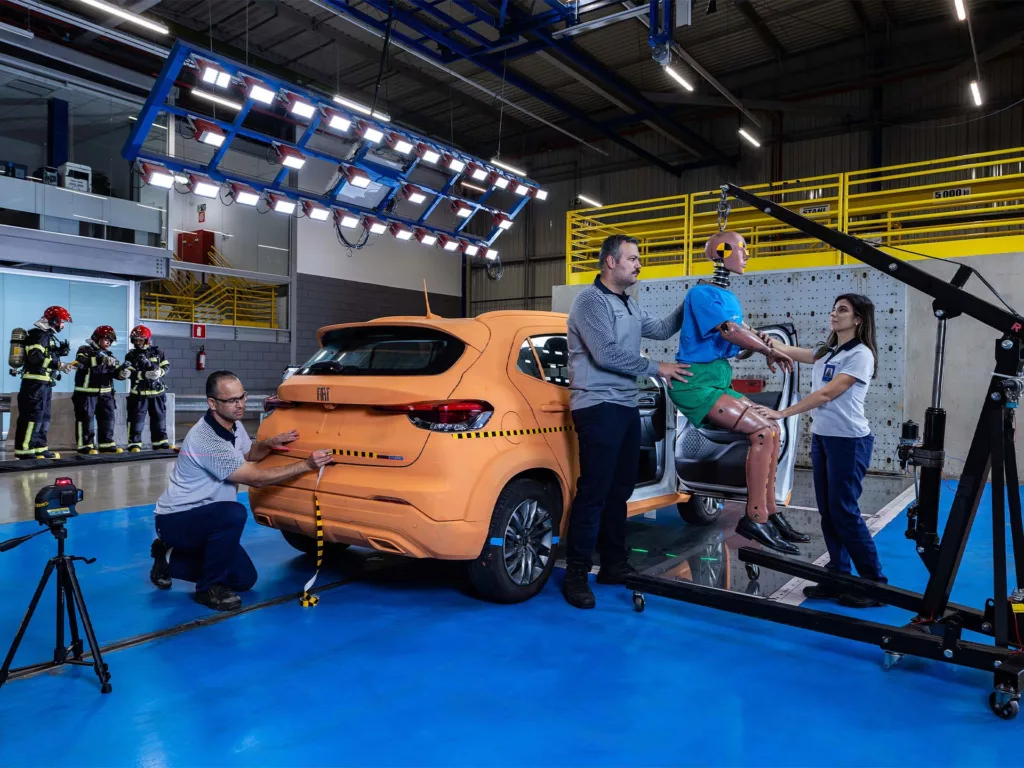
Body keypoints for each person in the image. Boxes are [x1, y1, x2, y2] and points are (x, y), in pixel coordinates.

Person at [562, 234, 693, 610]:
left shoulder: (630, 306)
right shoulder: (590, 301)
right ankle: (576, 573)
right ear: (610, 262)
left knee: (619, 491)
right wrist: (658, 368)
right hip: (596, 405)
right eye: (632, 258)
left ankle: (613, 565)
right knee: (595, 492)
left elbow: (665, 327)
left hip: (623, 407)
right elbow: (605, 354)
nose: (639, 264)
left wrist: (694, 299)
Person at [667, 231, 806, 555]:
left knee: (773, 431)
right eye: (742, 249)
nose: (746, 256)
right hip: (695, 384)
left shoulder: (729, 300)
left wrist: (759, 341)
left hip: (717, 380)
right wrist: (766, 351)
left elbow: (737, 336)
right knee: (762, 431)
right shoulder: (701, 293)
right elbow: (730, 331)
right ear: (722, 251)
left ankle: (768, 514)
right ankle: (754, 517)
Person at [149, 370, 333, 611]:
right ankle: (208, 589)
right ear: (212, 404)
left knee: (244, 580)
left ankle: (169, 557)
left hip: (207, 518)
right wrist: (306, 465)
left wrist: (269, 444)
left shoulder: (233, 425)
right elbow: (254, 478)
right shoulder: (206, 439)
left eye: (242, 397)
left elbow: (247, 454)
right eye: (232, 400)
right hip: (178, 518)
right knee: (233, 514)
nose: (240, 405)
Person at [755, 293, 886, 608]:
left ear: (858, 319)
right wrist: (761, 340)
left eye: (843, 310)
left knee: (844, 511)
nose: (834, 313)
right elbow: (787, 349)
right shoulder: (828, 350)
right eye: (834, 308)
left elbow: (827, 393)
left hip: (849, 441)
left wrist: (783, 413)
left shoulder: (861, 354)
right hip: (823, 438)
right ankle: (837, 575)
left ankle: (873, 583)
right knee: (828, 511)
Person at [14, 306, 74, 460]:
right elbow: (35, 357)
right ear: (54, 320)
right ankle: (25, 450)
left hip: (44, 384)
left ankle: (40, 447)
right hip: (34, 384)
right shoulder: (38, 335)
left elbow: (45, 355)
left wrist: (59, 353)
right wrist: (59, 365)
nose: (63, 325)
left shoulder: (47, 336)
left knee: (44, 417)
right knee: (32, 417)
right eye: (62, 322)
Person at [120, 325, 174, 452]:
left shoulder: (158, 353)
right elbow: (130, 373)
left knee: (159, 420)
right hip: (138, 394)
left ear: (147, 340)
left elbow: (166, 367)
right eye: (136, 340)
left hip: (157, 394)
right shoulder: (130, 356)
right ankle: (134, 445)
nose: (138, 342)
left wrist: (160, 372)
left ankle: (160, 443)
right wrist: (143, 375)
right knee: (136, 421)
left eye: (141, 340)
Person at [72, 325, 124, 455]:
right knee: (86, 420)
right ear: (97, 338)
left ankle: (106, 444)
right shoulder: (84, 350)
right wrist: (100, 359)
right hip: (86, 394)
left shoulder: (110, 355)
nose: (109, 343)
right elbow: (82, 361)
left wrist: (122, 374)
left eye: (111, 341)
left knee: (107, 419)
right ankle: (85, 446)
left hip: (106, 395)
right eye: (106, 339)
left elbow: (115, 373)